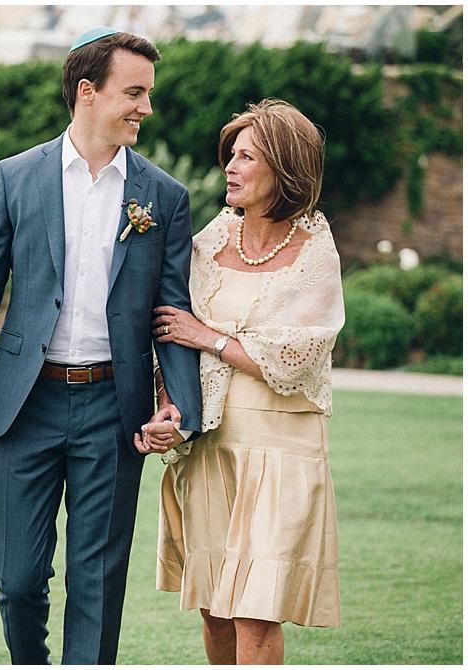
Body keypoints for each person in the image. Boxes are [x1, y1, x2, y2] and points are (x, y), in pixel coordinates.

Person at [0, 29, 203, 664]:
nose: (146, 107)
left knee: (98, 582)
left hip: (115, 409)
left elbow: (172, 312)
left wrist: (177, 405)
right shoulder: (15, 177)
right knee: (18, 577)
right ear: (87, 92)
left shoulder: (164, 196)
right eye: (134, 93)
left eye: (147, 94)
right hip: (27, 404)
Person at [139, 99, 344, 664]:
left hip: (281, 452)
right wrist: (167, 404)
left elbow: (297, 358)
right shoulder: (211, 241)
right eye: (231, 154)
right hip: (211, 446)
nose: (230, 166)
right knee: (215, 608)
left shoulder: (314, 250)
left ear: (285, 167)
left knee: (256, 610)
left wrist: (210, 338)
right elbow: (171, 335)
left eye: (247, 157)